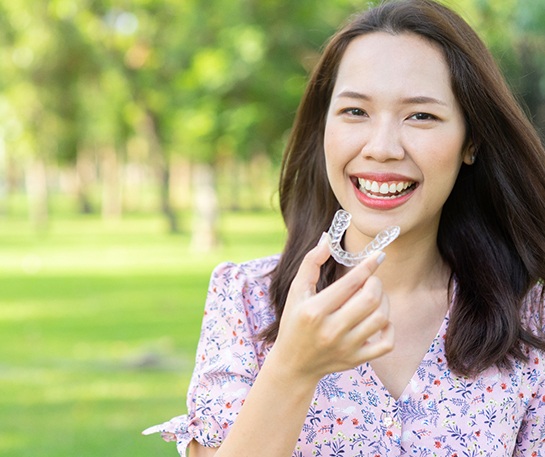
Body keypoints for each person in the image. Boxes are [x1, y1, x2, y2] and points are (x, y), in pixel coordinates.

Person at [143, 0, 545, 455]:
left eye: (421, 116)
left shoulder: (530, 319)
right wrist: (292, 368)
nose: (382, 148)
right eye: (356, 111)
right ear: (323, 128)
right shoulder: (246, 301)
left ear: (470, 141)